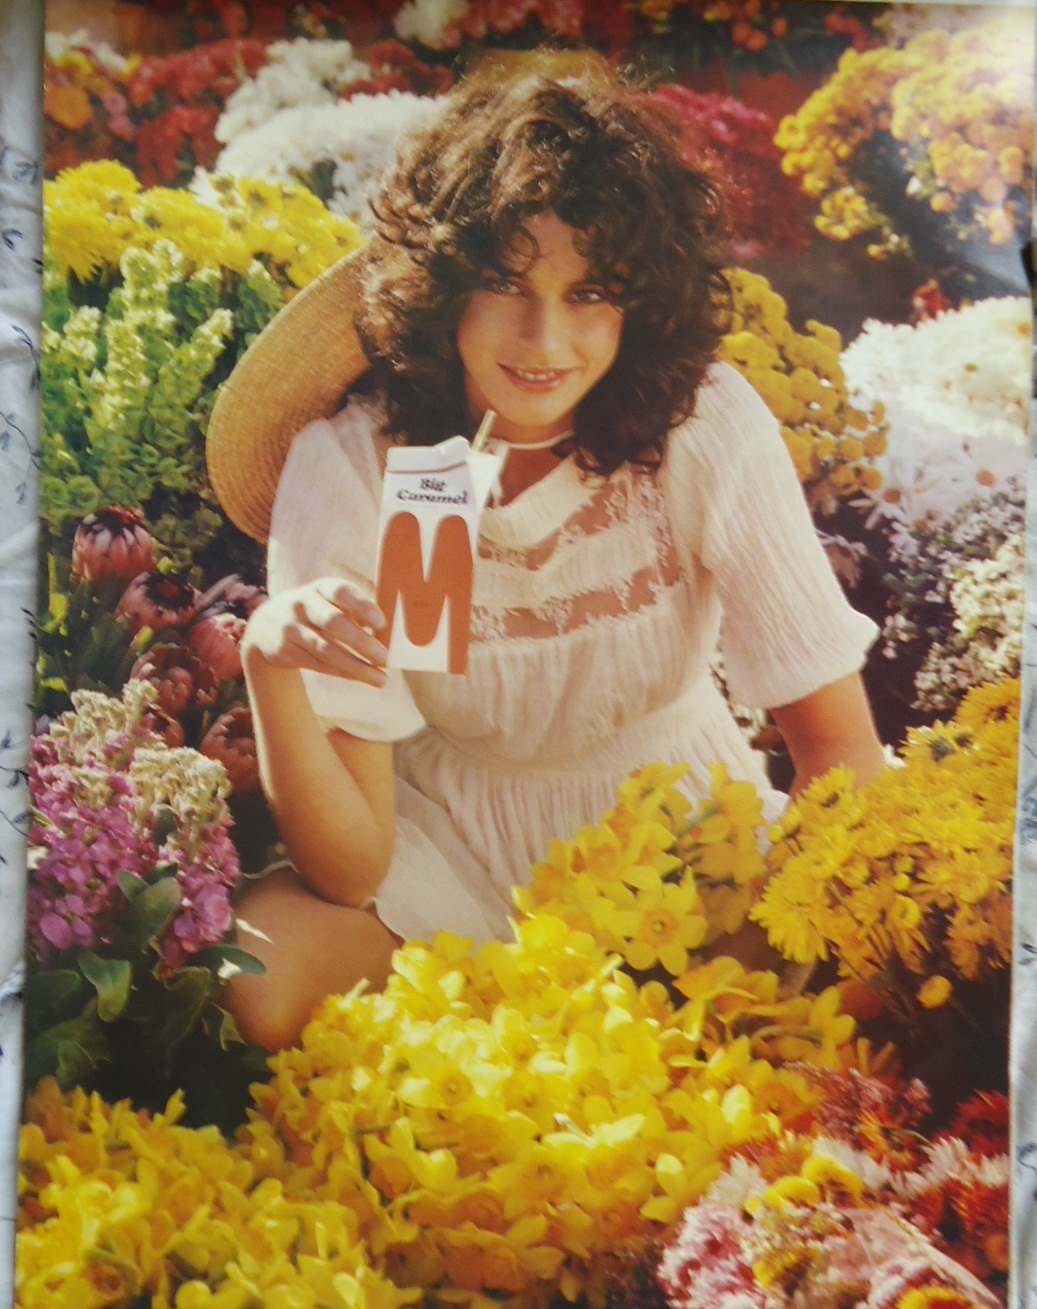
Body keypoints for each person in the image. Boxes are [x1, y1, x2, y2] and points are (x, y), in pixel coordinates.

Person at [205, 60, 886, 1052]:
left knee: (841, 982)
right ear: (443, 285)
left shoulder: (701, 424)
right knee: (256, 984)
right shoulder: (356, 462)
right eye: (504, 283)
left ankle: (555, 1048)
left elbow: (838, 751)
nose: (543, 339)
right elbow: (350, 872)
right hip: (444, 851)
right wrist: (269, 666)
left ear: (640, 302)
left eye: (591, 292)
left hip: (682, 850)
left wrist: (800, 944)